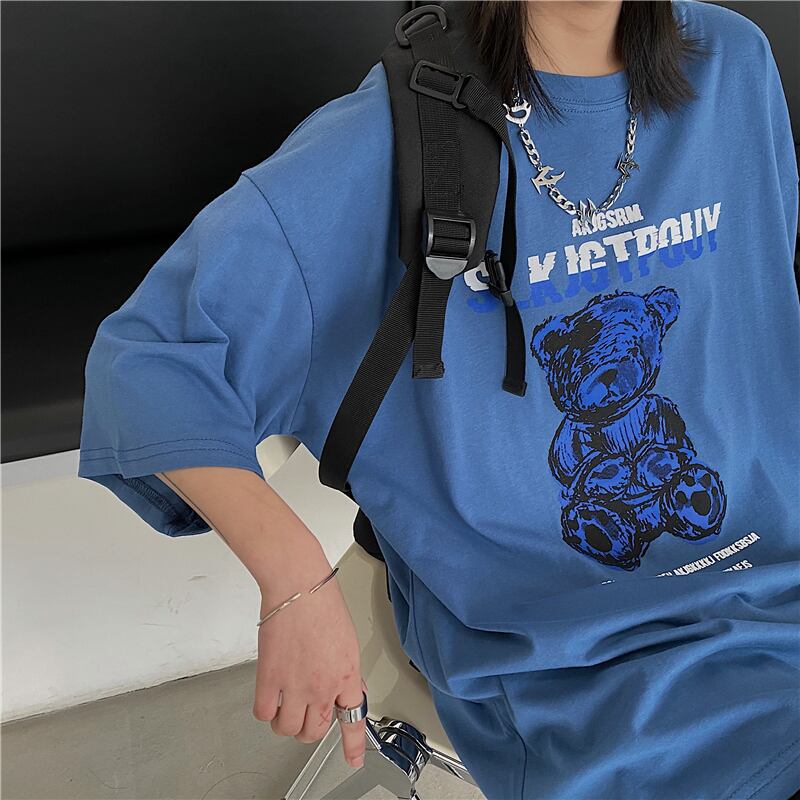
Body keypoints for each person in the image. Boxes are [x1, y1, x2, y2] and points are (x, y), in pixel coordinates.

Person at [77, 0, 800, 797]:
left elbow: (752, 334)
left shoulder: (729, 64)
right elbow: (146, 362)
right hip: (585, 667)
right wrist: (294, 578)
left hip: (777, 574)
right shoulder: (390, 139)